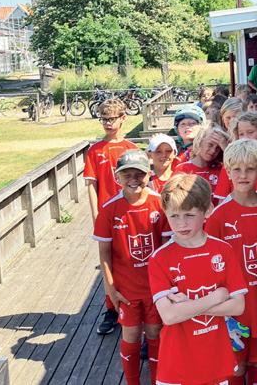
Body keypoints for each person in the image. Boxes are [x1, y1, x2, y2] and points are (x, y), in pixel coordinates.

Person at [148, 174, 247, 385]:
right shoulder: (160, 259)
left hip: (215, 358)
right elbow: (169, 316)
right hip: (176, 364)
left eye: (189, 215)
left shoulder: (224, 250)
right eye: (174, 216)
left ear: (207, 210)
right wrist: (216, 297)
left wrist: (188, 306)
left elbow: (238, 306)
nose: (181, 223)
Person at [205, 139, 257, 385]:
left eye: (249, 169)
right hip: (232, 309)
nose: (242, 175)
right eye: (236, 169)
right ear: (227, 171)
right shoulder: (219, 216)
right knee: (236, 367)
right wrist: (222, 314)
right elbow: (209, 271)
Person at [93, 150, 172, 385]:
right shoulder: (109, 209)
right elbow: (104, 253)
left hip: (154, 287)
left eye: (139, 174)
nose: (134, 180)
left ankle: (157, 380)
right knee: (131, 334)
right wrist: (110, 289)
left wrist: (167, 286)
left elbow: (166, 249)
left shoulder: (159, 203)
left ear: (149, 174)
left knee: (154, 333)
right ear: (117, 177)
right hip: (126, 288)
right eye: (127, 174)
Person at [83, 97, 138, 335]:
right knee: (108, 261)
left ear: (123, 119)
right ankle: (111, 307)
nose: (107, 123)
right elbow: (91, 186)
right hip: (107, 214)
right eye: (104, 119)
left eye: (112, 118)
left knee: (130, 256)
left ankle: (133, 303)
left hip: (129, 211)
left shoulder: (130, 148)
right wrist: (96, 216)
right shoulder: (95, 151)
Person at [174, 125, 229, 194]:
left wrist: (226, 149)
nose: (213, 150)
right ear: (200, 142)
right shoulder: (183, 169)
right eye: (210, 145)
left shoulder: (222, 169)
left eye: (218, 148)